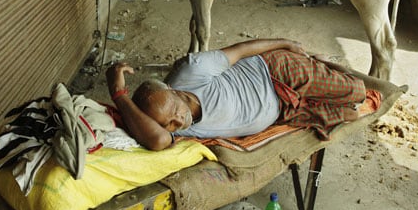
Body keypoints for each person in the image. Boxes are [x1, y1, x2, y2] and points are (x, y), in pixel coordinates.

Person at [106, 38, 367, 151]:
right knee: (351, 115)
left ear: (173, 90)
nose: (178, 123)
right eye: (170, 125)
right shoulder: (164, 126)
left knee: (359, 92)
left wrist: (286, 43)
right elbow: (159, 140)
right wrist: (119, 94)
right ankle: (318, 73)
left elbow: (241, 50)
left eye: (175, 112)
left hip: (276, 72)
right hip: (284, 110)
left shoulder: (191, 71)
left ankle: (323, 62)